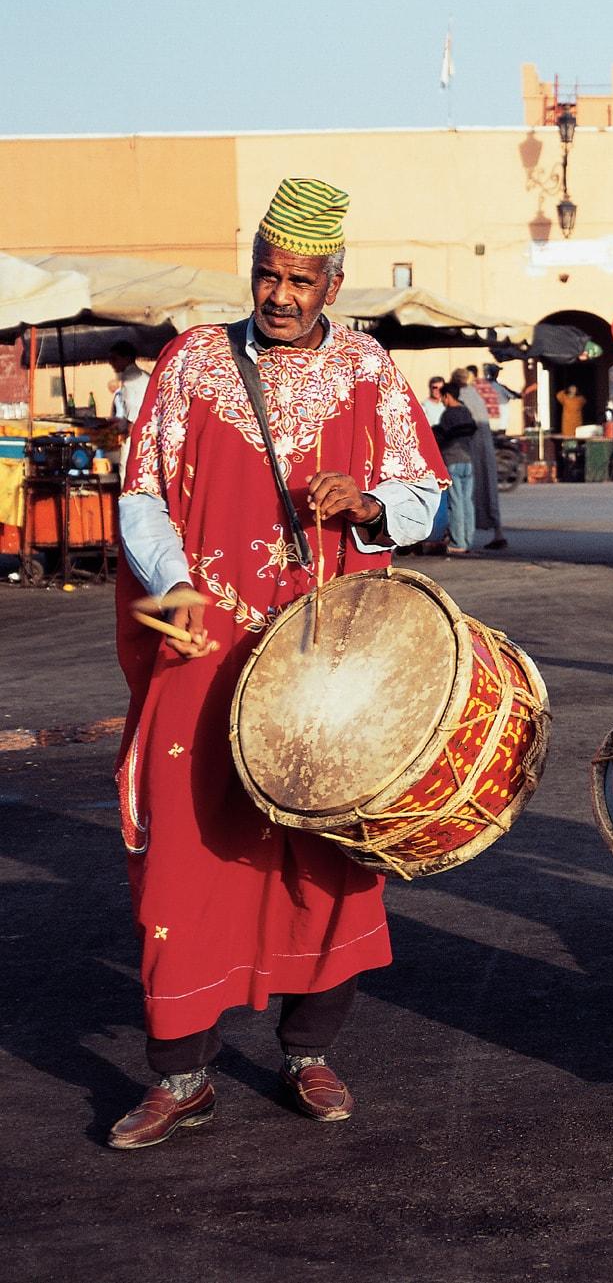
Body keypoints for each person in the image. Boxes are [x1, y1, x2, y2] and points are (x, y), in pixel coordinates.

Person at [108, 178, 444, 1149]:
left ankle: (309, 1051)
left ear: (333, 280)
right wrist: (175, 582)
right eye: (268, 274)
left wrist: (370, 503)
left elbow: (427, 491)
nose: (281, 295)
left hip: (323, 659)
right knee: (189, 852)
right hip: (206, 648)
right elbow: (143, 493)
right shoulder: (190, 363)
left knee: (323, 852)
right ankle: (180, 1075)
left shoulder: (371, 370)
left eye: (301, 279)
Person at [452, 367, 506, 550]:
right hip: (485, 445)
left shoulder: (462, 396)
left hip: (470, 447)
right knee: (486, 488)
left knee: (464, 496)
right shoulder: (476, 394)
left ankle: (462, 539)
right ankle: (497, 532)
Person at [433, 384, 478, 554]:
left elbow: (442, 437)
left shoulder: (448, 414)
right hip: (468, 459)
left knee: (456, 502)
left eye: (443, 398)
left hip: (452, 459)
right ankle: (468, 540)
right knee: (467, 502)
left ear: (448, 397)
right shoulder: (466, 412)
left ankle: (458, 542)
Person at [107, 340, 151, 482]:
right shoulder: (144, 376)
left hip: (137, 438)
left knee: (128, 476)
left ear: (126, 358)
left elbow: (133, 414)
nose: (111, 363)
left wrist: (126, 436)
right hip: (150, 437)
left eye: (114, 359)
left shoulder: (131, 380)